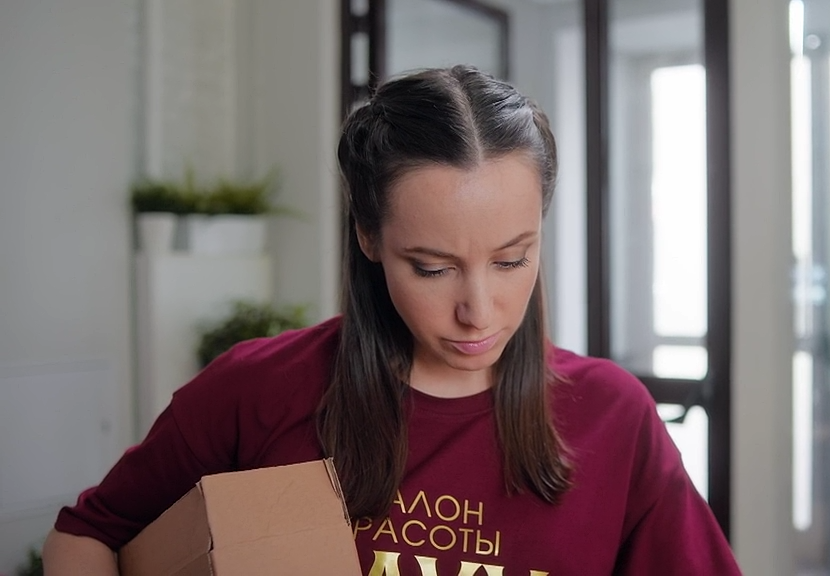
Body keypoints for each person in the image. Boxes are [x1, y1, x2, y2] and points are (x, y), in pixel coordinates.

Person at [43, 65, 741, 575]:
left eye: (511, 259)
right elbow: (86, 535)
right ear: (369, 238)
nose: (479, 310)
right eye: (432, 268)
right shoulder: (259, 390)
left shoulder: (612, 416)